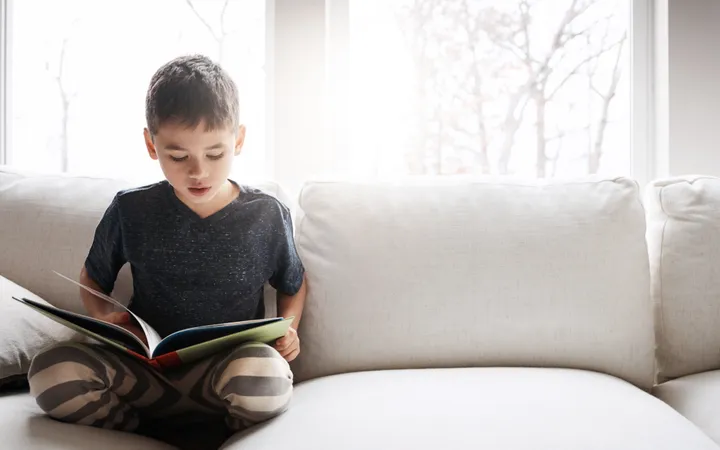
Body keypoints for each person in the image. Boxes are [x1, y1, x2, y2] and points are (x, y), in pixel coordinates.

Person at [27, 54, 307, 434]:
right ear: (151, 144)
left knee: (266, 375)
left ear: (238, 140)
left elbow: (293, 283)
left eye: (215, 153)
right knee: (50, 370)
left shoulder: (266, 215)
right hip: (144, 373)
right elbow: (92, 279)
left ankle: (223, 435)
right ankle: (138, 432)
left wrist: (289, 329)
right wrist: (105, 320)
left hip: (225, 375)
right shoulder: (131, 209)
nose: (198, 171)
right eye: (178, 156)